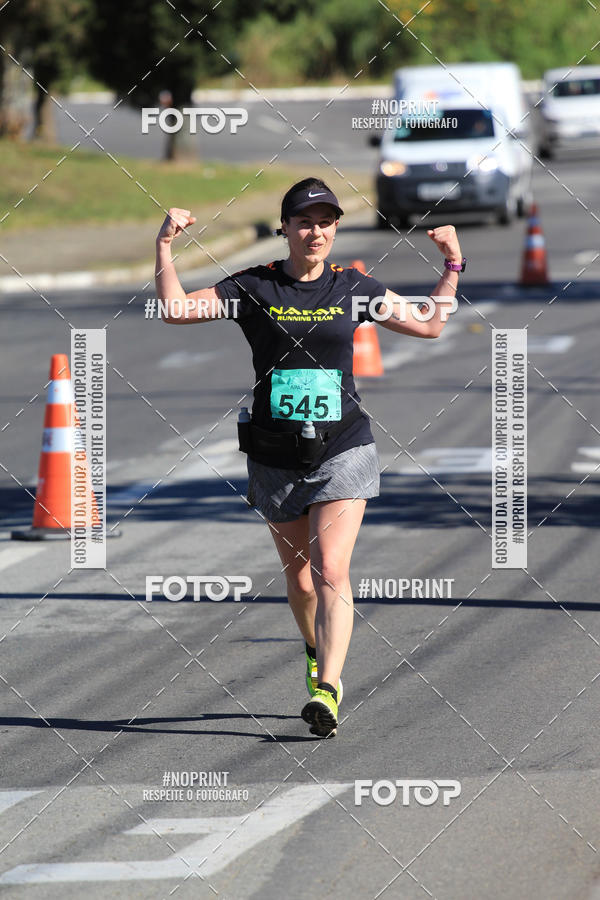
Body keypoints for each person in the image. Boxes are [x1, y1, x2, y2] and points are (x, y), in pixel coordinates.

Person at [155, 177, 463, 738]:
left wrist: (451, 266)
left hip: (343, 447)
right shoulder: (254, 286)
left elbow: (430, 323)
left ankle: (328, 687)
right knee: (299, 582)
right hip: (275, 453)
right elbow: (175, 310)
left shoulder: (355, 288)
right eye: (304, 222)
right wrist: (165, 246)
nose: (315, 232)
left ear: (336, 229)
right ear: (285, 228)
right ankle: (314, 648)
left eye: (325, 222)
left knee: (331, 570)